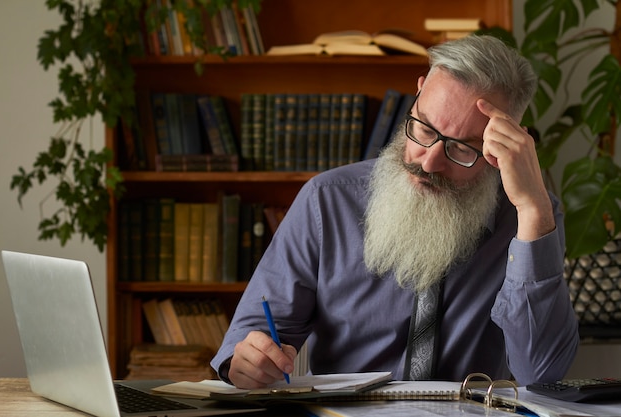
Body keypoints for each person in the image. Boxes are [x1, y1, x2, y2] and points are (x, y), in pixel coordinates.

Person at [211, 35, 579, 389]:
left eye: (463, 149)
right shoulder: (327, 200)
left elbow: (542, 372)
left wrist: (533, 212)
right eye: (424, 127)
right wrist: (245, 362)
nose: (429, 161)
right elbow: (250, 337)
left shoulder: (529, 219)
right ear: (418, 92)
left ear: (506, 145)